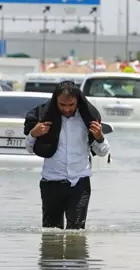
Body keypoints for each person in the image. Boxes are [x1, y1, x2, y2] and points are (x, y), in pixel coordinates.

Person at [24, 81, 110, 230]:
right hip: (51, 182)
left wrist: (99, 137)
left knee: (76, 234)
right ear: (55, 101)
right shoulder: (44, 119)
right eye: (62, 105)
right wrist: (33, 134)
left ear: (77, 101)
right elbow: (29, 149)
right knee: (51, 233)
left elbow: (102, 151)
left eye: (71, 105)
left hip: (80, 183)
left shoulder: (87, 119)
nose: (67, 109)